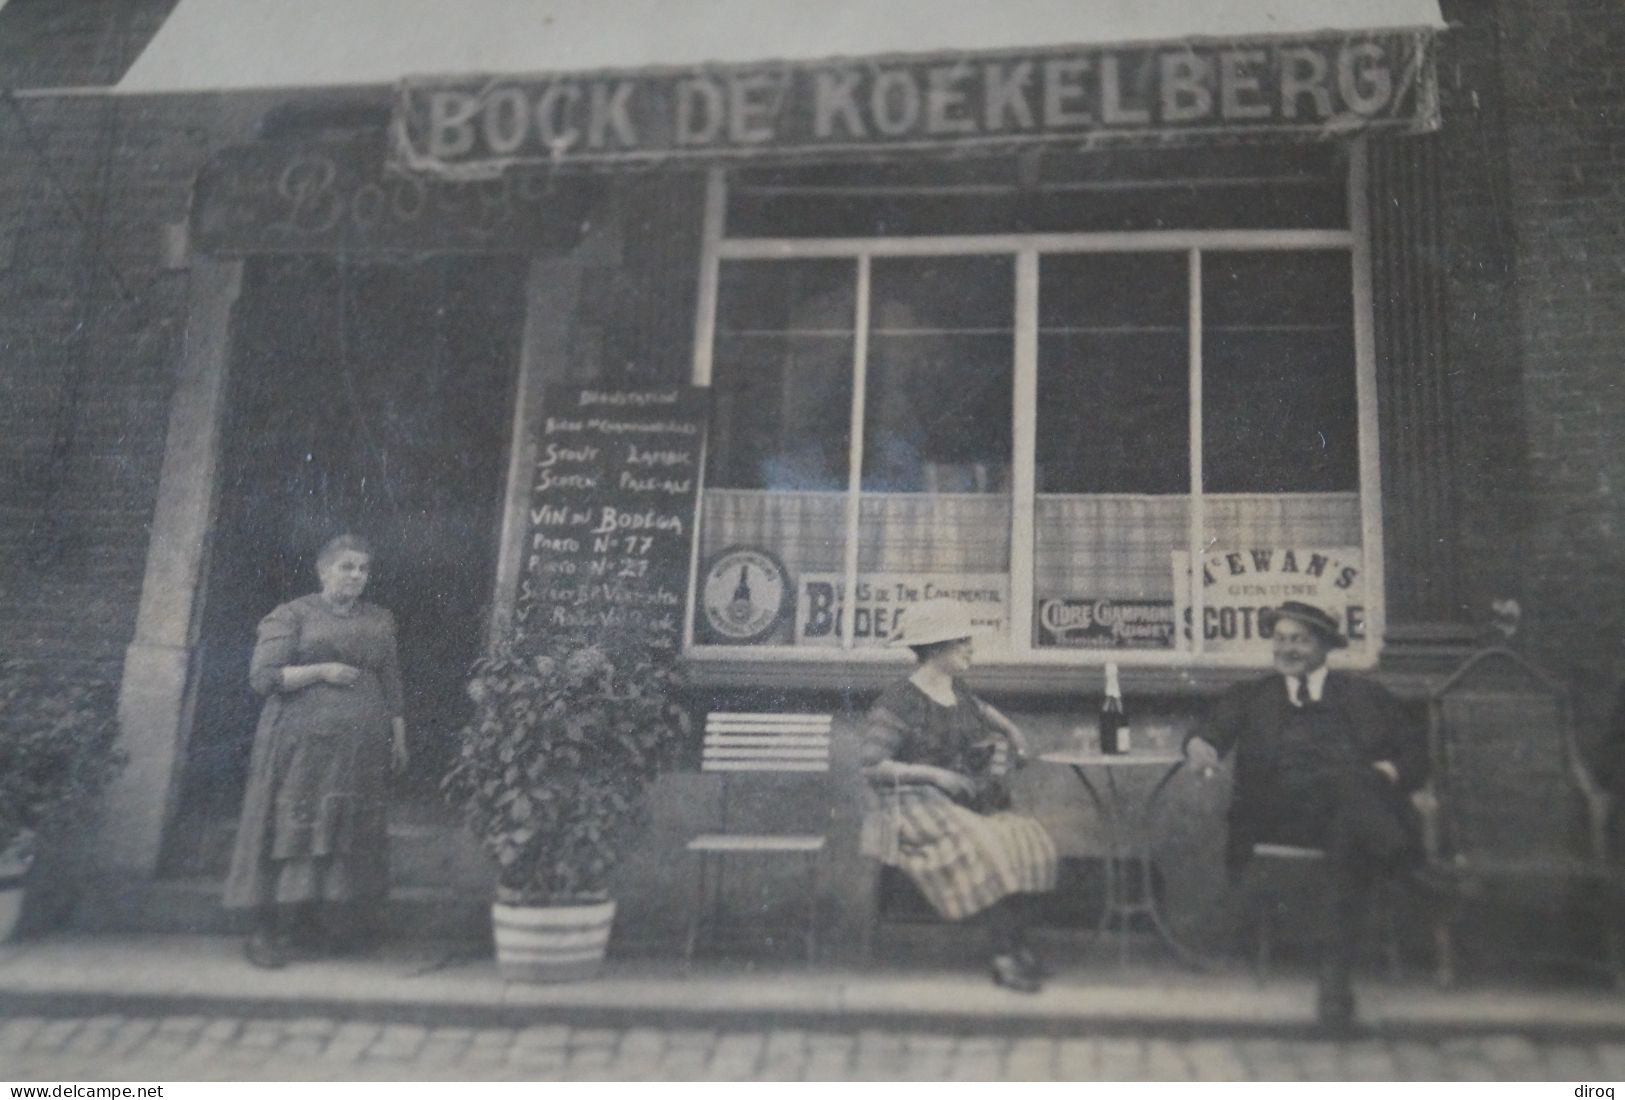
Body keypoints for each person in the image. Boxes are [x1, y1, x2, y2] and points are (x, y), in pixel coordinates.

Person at [1184, 600, 1427, 1031]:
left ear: (1325, 647)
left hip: (1344, 823)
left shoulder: (1363, 695)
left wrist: (1384, 771)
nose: (1287, 649)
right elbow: (1207, 734)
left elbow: (1415, 755)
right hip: (1281, 815)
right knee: (1354, 794)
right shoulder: (1252, 696)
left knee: (1349, 820)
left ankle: (1334, 988)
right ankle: (1414, 872)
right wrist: (1199, 749)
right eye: (1280, 639)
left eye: (1299, 639)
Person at [223, 533, 409, 968]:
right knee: (290, 828)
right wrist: (321, 670)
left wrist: (398, 735)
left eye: (363, 569)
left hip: (359, 747)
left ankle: (319, 923)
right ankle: (268, 930)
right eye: (346, 567)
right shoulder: (292, 615)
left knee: (339, 828)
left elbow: (392, 680)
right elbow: (264, 677)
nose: (356, 576)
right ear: (323, 571)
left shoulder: (380, 619)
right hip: (298, 745)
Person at [859, 600, 1059, 993]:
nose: (971, 649)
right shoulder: (898, 702)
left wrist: (1014, 734)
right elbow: (872, 766)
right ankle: (1002, 956)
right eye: (962, 642)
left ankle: (1017, 947)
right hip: (909, 804)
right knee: (988, 845)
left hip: (956, 802)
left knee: (1026, 838)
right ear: (935, 648)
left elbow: (987, 713)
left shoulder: (957, 691)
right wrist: (935, 775)